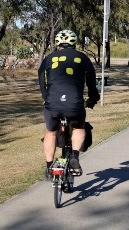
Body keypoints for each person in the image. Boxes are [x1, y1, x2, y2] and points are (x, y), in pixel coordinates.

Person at [38, 29, 100, 181]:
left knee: (50, 132)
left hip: (53, 104)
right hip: (74, 104)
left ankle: (48, 167)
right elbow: (91, 80)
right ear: (74, 43)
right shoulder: (82, 57)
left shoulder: (49, 58)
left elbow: (41, 79)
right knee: (79, 127)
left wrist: (46, 97)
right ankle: (75, 158)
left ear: (58, 44)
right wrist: (93, 98)